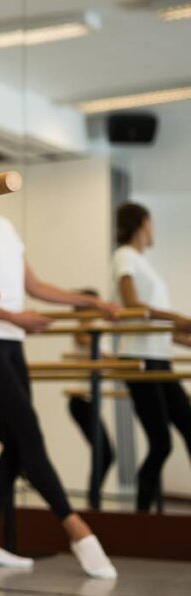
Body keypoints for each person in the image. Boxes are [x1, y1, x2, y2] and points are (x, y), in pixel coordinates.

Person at [0, 146, 119, 578]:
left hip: (11, 342)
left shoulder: (4, 225)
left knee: (20, 440)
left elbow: (33, 284)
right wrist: (13, 316)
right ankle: (77, 529)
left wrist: (87, 300)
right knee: (29, 433)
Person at [111, 202, 191, 512]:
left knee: (187, 428)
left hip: (158, 358)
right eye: (152, 223)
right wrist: (178, 317)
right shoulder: (124, 256)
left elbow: (155, 327)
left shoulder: (144, 262)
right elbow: (132, 306)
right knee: (161, 443)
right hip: (137, 359)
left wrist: (182, 334)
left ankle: (145, 515)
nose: (153, 229)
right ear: (143, 224)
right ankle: (142, 516)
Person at [63, 289, 115, 505]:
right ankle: (93, 502)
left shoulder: (97, 329)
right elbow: (82, 338)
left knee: (104, 453)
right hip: (81, 402)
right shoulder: (84, 328)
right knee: (104, 453)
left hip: (90, 401)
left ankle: (93, 500)